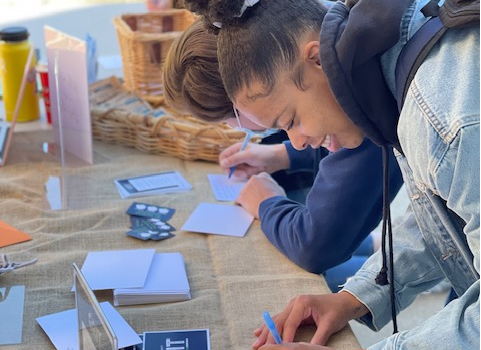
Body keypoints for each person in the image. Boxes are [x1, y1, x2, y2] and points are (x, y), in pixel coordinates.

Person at [181, 0, 480, 349]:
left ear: (318, 60)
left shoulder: (444, 122)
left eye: (290, 121)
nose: (299, 142)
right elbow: (445, 212)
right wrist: (353, 297)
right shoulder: (390, 65)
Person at [163, 17, 403, 292]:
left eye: (288, 120)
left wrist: (268, 203)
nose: (299, 143)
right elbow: (331, 129)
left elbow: (315, 246)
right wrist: (283, 155)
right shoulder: (348, 74)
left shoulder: (366, 106)